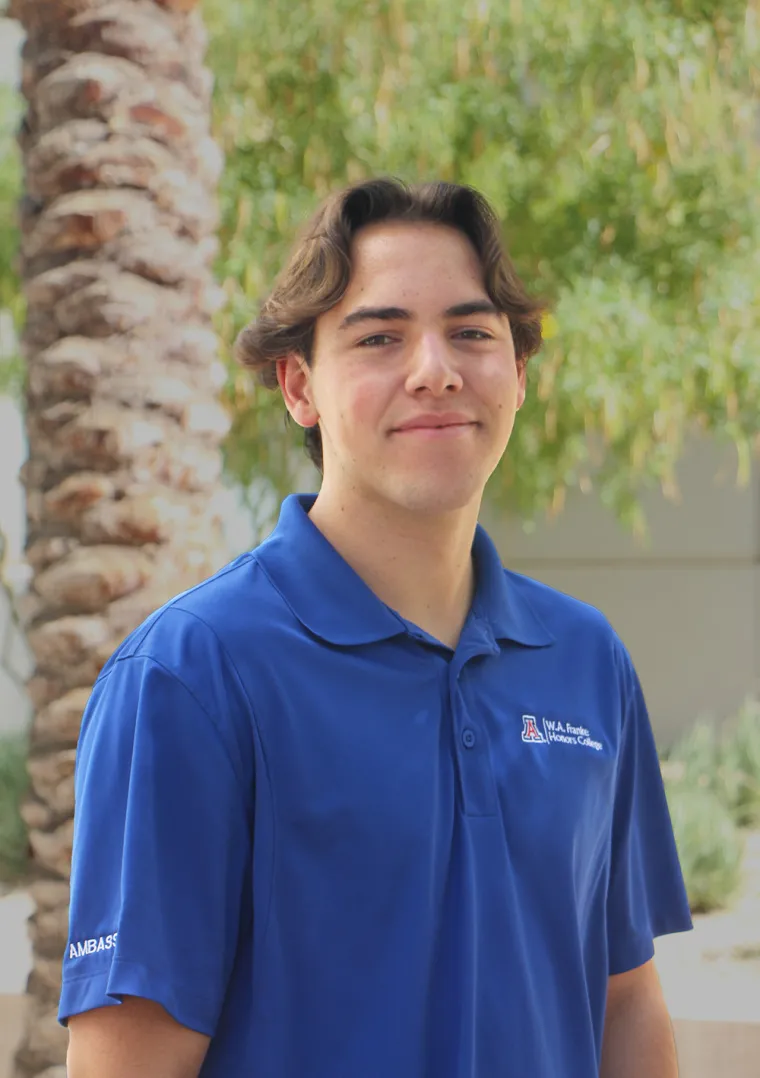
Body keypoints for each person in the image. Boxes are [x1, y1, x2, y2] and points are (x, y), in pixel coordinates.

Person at [60, 178, 692, 1078]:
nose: (434, 368)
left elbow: (623, 998)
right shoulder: (190, 676)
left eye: (473, 333)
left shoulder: (585, 661)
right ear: (299, 386)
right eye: (380, 336)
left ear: (518, 375)